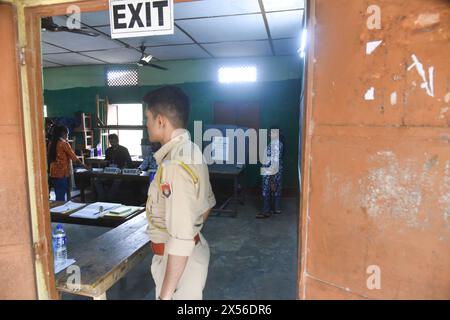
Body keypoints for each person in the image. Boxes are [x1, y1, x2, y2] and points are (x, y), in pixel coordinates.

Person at [143, 86, 216, 300]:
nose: (146, 123)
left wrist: (165, 296)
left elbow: (181, 239)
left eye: (148, 117)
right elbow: (208, 203)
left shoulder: (175, 165)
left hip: (178, 264)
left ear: (161, 121)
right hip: (189, 256)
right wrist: (191, 227)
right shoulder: (191, 150)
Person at [48, 124, 87, 201]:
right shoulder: (64, 144)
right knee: (61, 196)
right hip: (62, 173)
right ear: (63, 133)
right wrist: (84, 166)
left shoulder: (51, 143)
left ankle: (59, 209)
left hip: (53, 172)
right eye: (67, 134)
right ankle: (60, 211)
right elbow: (74, 158)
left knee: (58, 193)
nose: (67, 136)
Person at [94, 134, 132, 201]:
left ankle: (110, 197)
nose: (112, 144)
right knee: (96, 179)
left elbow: (129, 163)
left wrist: (124, 168)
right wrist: (105, 162)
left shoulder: (124, 150)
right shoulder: (108, 150)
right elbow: (107, 160)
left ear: (117, 141)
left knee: (117, 180)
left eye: (114, 142)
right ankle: (102, 197)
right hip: (109, 171)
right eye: (111, 142)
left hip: (119, 172)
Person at [257, 126, 284, 218]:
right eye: (269, 133)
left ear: (276, 134)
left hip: (271, 172)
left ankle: (266, 211)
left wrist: (272, 175)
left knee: (266, 191)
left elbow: (274, 161)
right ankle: (276, 209)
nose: (269, 134)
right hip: (273, 171)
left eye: (271, 133)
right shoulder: (276, 143)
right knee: (275, 190)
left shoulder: (275, 144)